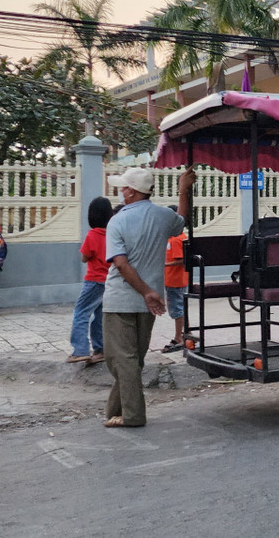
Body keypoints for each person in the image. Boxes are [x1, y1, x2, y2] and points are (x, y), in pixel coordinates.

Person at [102, 167, 193, 428]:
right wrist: (183, 189)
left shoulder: (117, 220)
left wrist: (145, 292)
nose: (121, 191)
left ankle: (132, 416)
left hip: (122, 299)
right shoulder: (163, 216)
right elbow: (182, 219)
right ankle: (114, 411)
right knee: (132, 360)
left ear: (131, 191)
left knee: (120, 360)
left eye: (123, 187)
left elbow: (120, 263)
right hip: (148, 303)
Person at [68, 197, 112, 364]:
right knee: (99, 315)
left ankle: (80, 350)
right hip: (107, 281)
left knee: (81, 313)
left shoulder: (92, 235)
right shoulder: (112, 234)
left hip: (93, 280)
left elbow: (85, 258)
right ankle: (100, 349)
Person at [160, 226, 188, 354]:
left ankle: (178, 338)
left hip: (175, 281)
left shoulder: (176, 240)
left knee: (177, 309)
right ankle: (186, 333)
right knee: (181, 307)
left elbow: (181, 260)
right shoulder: (175, 238)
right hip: (176, 280)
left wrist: (164, 264)